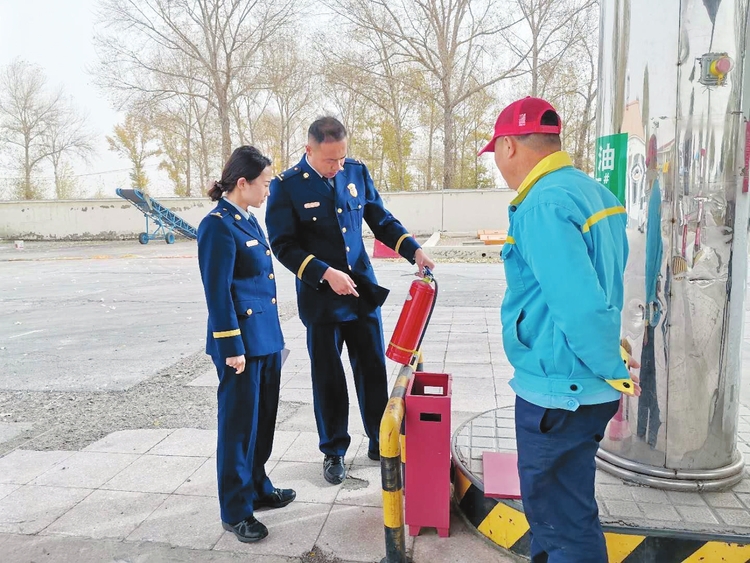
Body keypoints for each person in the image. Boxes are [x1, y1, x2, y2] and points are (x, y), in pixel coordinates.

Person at [479, 97, 641, 563]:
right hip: (580, 384)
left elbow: (580, 304)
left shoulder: (542, 205)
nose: (499, 166)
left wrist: (612, 366)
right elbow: (606, 281)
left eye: (496, 155)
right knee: (565, 511)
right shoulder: (592, 192)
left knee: (561, 521)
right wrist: (611, 352)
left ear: (508, 146)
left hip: (559, 393)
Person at [265, 116, 435, 485]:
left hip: (361, 293)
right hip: (321, 299)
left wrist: (414, 250)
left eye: (342, 157)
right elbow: (283, 245)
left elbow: (380, 218)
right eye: (330, 159)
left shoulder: (355, 171)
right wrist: (325, 273)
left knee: (373, 367)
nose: (338, 165)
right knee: (328, 377)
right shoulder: (287, 186)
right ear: (308, 150)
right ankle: (334, 451)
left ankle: (380, 439)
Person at [197, 146, 296, 544]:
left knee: (263, 422)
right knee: (238, 430)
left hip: (266, 341)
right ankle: (236, 511)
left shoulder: (248, 220)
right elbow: (217, 294)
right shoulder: (217, 226)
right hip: (240, 346)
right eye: (266, 183)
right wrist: (231, 346)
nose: (269, 190)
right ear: (243, 183)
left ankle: (258, 485)